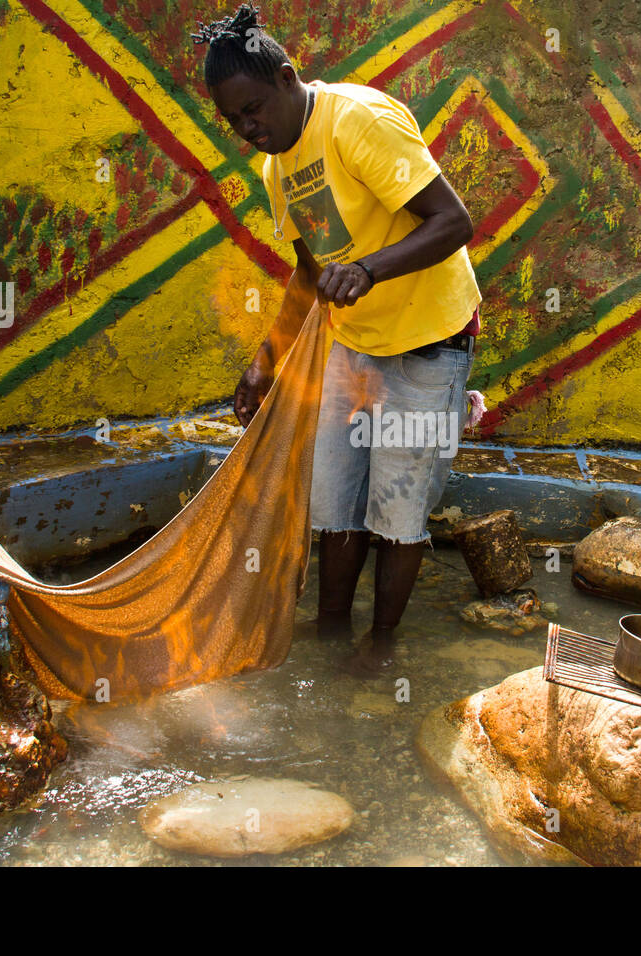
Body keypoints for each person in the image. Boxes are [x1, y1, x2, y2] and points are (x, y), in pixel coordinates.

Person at [193, 5, 482, 674]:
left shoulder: (357, 122)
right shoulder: (277, 168)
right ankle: (327, 632)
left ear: (289, 78)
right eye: (234, 120)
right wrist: (264, 365)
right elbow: (310, 271)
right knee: (336, 505)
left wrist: (370, 270)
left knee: (398, 513)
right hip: (353, 346)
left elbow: (452, 220)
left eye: (254, 108)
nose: (247, 128)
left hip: (428, 342)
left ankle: (379, 644)